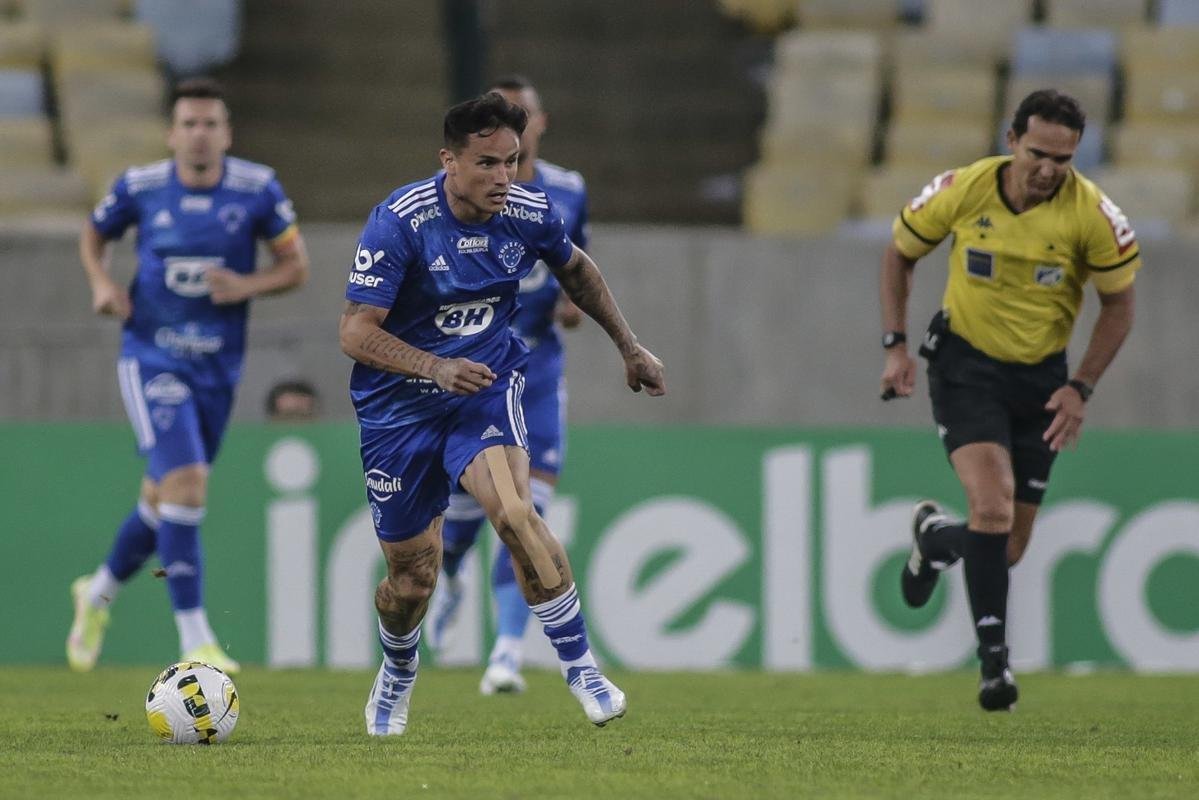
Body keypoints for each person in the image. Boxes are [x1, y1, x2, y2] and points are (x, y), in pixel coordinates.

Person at [339, 91, 664, 735]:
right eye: (487, 163)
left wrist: (629, 347)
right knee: (411, 580)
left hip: (484, 387)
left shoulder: (528, 211)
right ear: (449, 161)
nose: (503, 178)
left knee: (516, 512)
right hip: (397, 409)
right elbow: (354, 333)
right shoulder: (399, 222)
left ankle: (582, 668)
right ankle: (399, 669)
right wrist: (433, 366)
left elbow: (578, 272)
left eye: (512, 161)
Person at [879, 89, 1138, 711]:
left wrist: (1080, 388)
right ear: (1011, 140)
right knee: (992, 511)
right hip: (966, 367)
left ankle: (935, 539)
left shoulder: (1094, 216)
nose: (1049, 169)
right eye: (1039, 153)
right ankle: (995, 667)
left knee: (1008, 546)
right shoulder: (964, 189)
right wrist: (896, 346)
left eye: (1064, 159)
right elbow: (899, 255)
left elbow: (1120, 305)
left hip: (1042, 383)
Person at [67, 78, 310, 674]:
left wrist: (245, 286)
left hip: (218, 366)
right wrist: (102, 285)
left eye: (211, 124)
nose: (200, 135)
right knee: (187, 482)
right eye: (189, 124)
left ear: (226, 133)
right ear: (172, 133)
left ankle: (96, 593)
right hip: (151, 357)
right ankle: (195, 638)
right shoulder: (140, 186)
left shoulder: (257, 189)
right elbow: (94, 235)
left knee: (162, 497)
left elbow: (295, 266)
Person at [423, 75, 588, 696]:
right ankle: (454, 574)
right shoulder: (441, 209)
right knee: (466, 525)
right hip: (465, 381)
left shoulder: (567, 192)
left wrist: (574, 307)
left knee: (525, 515)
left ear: (537, 126)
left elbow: (576, 263)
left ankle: (507, 653)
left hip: (536, 373)